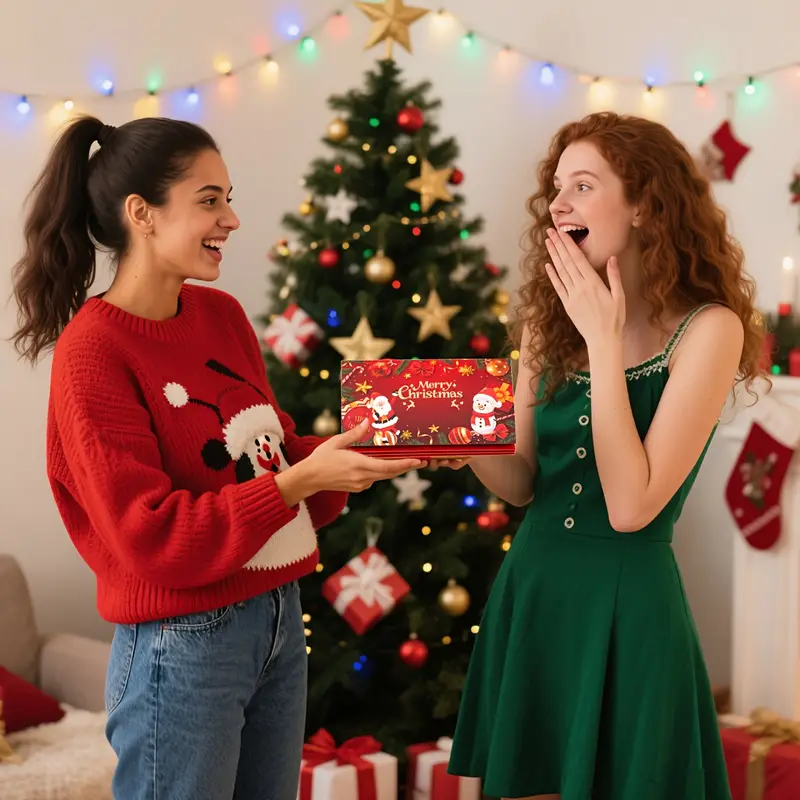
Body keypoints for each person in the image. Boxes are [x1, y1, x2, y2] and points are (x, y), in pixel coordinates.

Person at [10, 115, 424, 800]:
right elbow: (150, 535)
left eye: (228, 198)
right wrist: (297, 482)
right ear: (141, 213)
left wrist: (379, 446)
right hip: (181, 643)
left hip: (276, 620)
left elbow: (272, 460)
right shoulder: (94, 352)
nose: (231, 219)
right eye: (209, 200)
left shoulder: (222, 316)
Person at [431, 111, 763, 800]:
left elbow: (631, 507)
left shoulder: (710, 330)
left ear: (645, 204)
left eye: (582, 186)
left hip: (630, 606)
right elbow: (522, 482)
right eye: (556, 188)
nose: (558, 204)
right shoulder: (545, 325)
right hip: (534, 591)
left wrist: (604, 343)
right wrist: (468, 444)